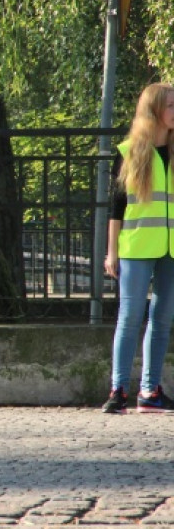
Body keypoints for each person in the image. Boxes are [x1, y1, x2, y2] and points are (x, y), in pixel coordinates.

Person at [102, 82, 174, 415]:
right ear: (155, 110)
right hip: (135, 247)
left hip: (171, 249)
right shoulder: (129, 151)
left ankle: (150, 391)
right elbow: (116, 207)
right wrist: (111, 252)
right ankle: (118, 390)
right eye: (171, 105)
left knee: (162, 319)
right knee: (130, 317)